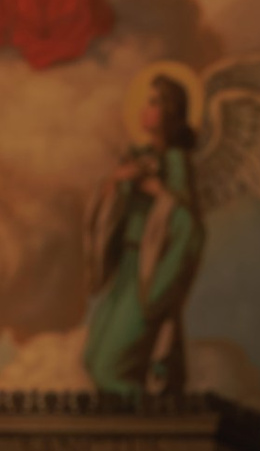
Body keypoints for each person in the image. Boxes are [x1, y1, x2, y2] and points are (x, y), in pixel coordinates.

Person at [84, 69, 204, 397]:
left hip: (148, 275)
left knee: (111, 369)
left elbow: (189, 226)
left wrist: (154, 191)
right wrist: (115, 185)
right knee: (92, 359)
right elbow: (111, 211)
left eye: (153, 102)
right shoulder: (138, 157)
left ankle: (148, 428)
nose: (144, 109)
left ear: (170, 111)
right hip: (125, 266)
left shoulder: (176, 162)